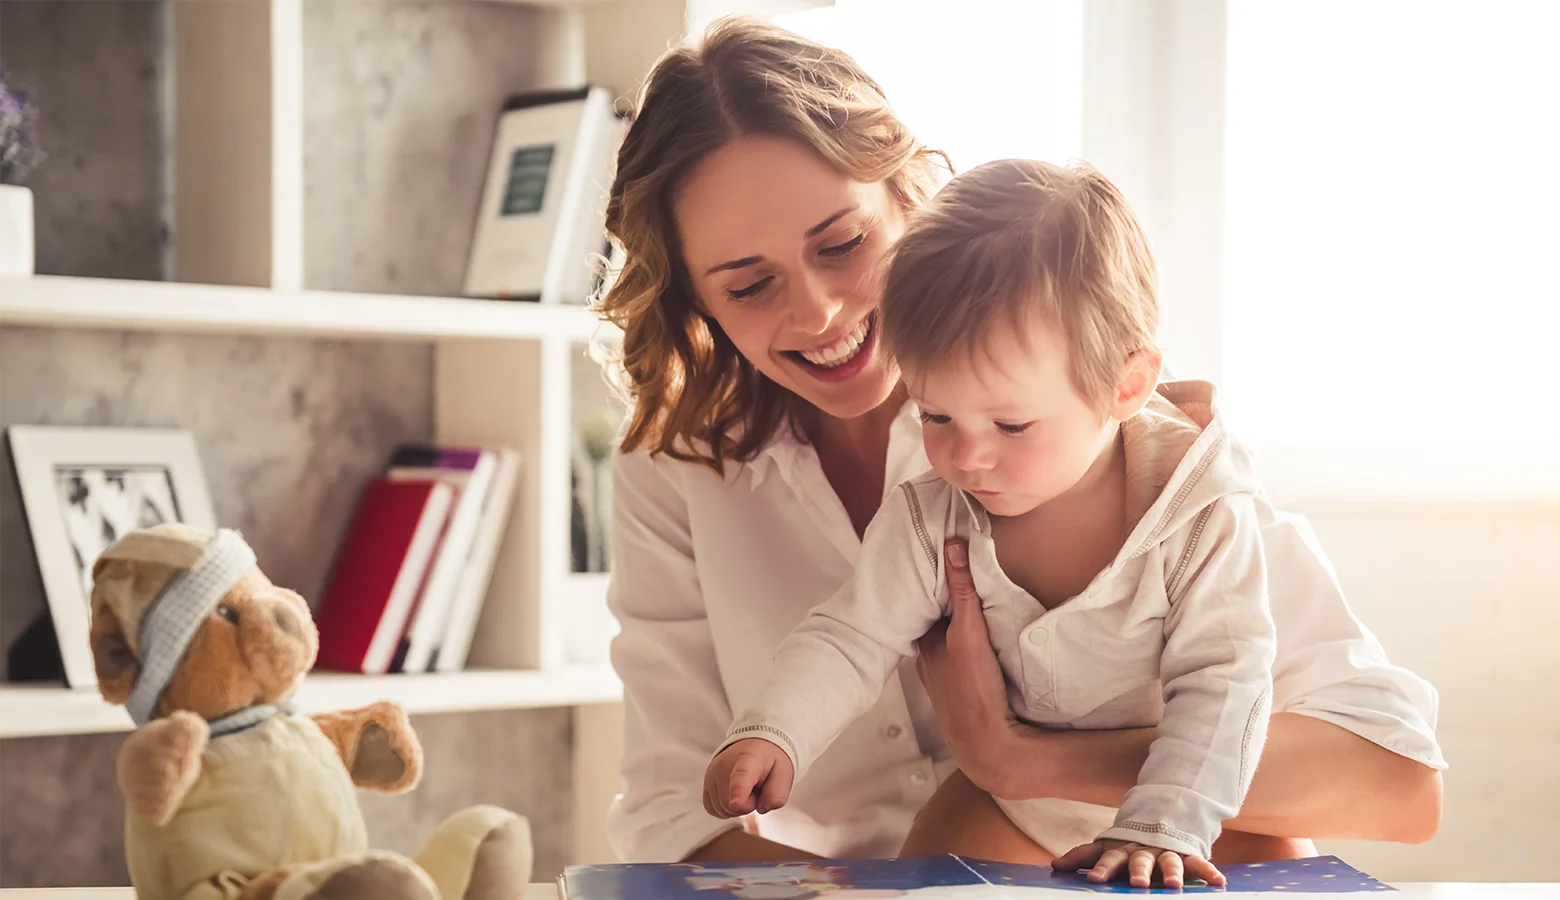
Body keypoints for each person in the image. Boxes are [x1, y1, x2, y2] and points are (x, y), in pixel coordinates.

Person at [598, 15, 1446, 869]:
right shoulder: (678, 466)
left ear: (908, 201)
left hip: (1173, 851)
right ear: (695, 301)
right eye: (749, 285)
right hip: (901, 874)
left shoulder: (1116, 431)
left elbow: (1397, 783)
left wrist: (1020, 759)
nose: (817, 312)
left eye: (845, 243)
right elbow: (677, 805)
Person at [704, 158, 1276, 890]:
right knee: (927, 884)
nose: (966, 456)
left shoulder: (1201, 514)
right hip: (1013, 806)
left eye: (1011, 423)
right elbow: (851, 634)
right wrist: (772, 730)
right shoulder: (931, 513)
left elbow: (1226, 682)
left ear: (1125, 385)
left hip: (1192, 807)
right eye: (936, 414)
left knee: (1283, 869)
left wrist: (1162, 823)